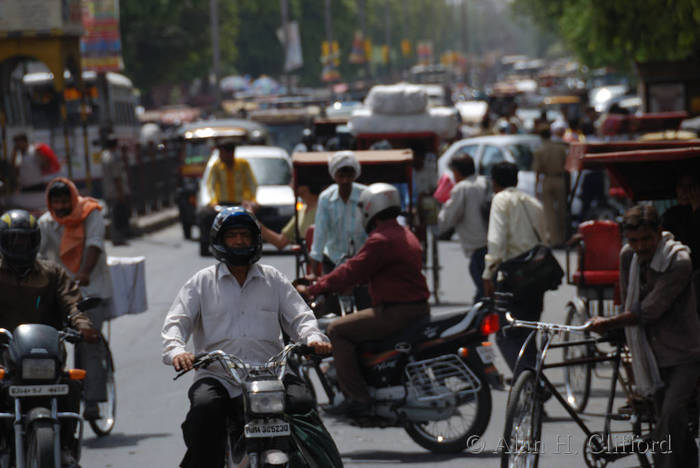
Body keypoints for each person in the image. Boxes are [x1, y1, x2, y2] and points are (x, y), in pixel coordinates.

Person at [162, 207, 331, 468]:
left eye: (245, 235)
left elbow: (301, 317)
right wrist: (177, 351)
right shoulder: (202, 282)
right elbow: (176, 323)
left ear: (255, 240)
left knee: (303, 404)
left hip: (272, 373)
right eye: (233, 235)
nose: (240, 241)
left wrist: (313, 338)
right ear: (220, 240)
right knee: (203, 411)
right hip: (219, 376)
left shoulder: (273, 279)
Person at [296, 184, 430, 414]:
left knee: (337, 330)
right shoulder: (403, 233)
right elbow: (367, 271)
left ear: (369, 208)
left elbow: (352, 269)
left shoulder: (381, 239)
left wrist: (314, 288)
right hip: (414, 308)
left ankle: (357, 397)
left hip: (395, 312)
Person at [590, 204, 700, 468]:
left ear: (659, 233)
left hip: (685, 353)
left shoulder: (678, 260)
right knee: (669, 421)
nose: (640, 247)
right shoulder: (628, 256)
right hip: (651, 354)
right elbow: (629, 300)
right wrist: (619, 328)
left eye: (646, 239)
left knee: (671, 415)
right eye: (634, 240)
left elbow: (648, 310)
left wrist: (610, 322)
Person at [0, 209, 98, 467]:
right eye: (14, 240)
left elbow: (73, 302)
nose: (20, 246)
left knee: (72, 385)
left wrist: (83, 325)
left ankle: (65, 445)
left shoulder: (51, 273)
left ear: (35, 241)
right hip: (3, 355)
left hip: (44, 353)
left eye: (25, 240)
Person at [38, 178, 112, 421]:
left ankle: (91, 401)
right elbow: (37, 256)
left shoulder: (91, 214)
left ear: (72, 198)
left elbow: (94, 244)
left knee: (88, 342)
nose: (60, 206)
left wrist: (84, 273)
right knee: (44, 345)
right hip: (58, 293)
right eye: (55, 202)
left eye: (64, 201)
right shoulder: (45, 223)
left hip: (89, 291)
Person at [482, 161, 546, 377]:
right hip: (537, 276)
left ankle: (529, 381)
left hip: (512, 278)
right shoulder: (533, 203)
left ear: (495, 182)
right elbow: (544, 240)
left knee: (505, 336)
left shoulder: (500, 200)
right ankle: (534, 383)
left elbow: (496, 242)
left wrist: (488, 274)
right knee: (529, 335)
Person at [438, 155, 489, 302]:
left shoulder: (462, 188)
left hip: (478, 247)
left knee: (482, 295)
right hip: (492, 243)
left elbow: (448, 218)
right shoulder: (484, 181)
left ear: (457, 171)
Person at [309, 151, 367, 274]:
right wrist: (313, 273)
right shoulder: (326, 198)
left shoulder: (365, 195)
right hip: (333, 260)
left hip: (361, 261)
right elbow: (320, 234)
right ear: (334, 176)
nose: (345, 180)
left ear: (355, 175)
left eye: (349, 175)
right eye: (341, 175)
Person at [200, 137, 258, 251]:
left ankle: (255, 243)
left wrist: (251, 200)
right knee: (204, 216)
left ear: (230, 153)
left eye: (222, 153)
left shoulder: (243, 164)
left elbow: (252, 183)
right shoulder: (216, 166)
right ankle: (206, 243)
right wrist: (213, 202)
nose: (221, 156)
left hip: (241, 204)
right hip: (221, 204)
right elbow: (210, 186)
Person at [533, 125, 569, 247]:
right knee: (562, 210)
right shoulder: (560, 149)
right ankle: (563, 238)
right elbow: (567, 167)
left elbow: (537, 171)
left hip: (547, 180)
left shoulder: (539, 150)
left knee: (550, 212)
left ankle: (554, 240)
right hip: (560, 179)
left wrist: (536, 188)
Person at [260, 181, 322, 250]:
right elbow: (280, 242)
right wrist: (253, 221)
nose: (290, 186)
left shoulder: (324, 209)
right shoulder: (301, 211)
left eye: (293, 180)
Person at [100, 135, 131, 246]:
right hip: (115, 192)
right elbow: (117, 177)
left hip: (108, 190)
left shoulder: (104, 155)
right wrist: (121, 193)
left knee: (113, 215)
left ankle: (116, 237)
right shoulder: (114, 157)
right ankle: (118, 237)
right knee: (117, 215)